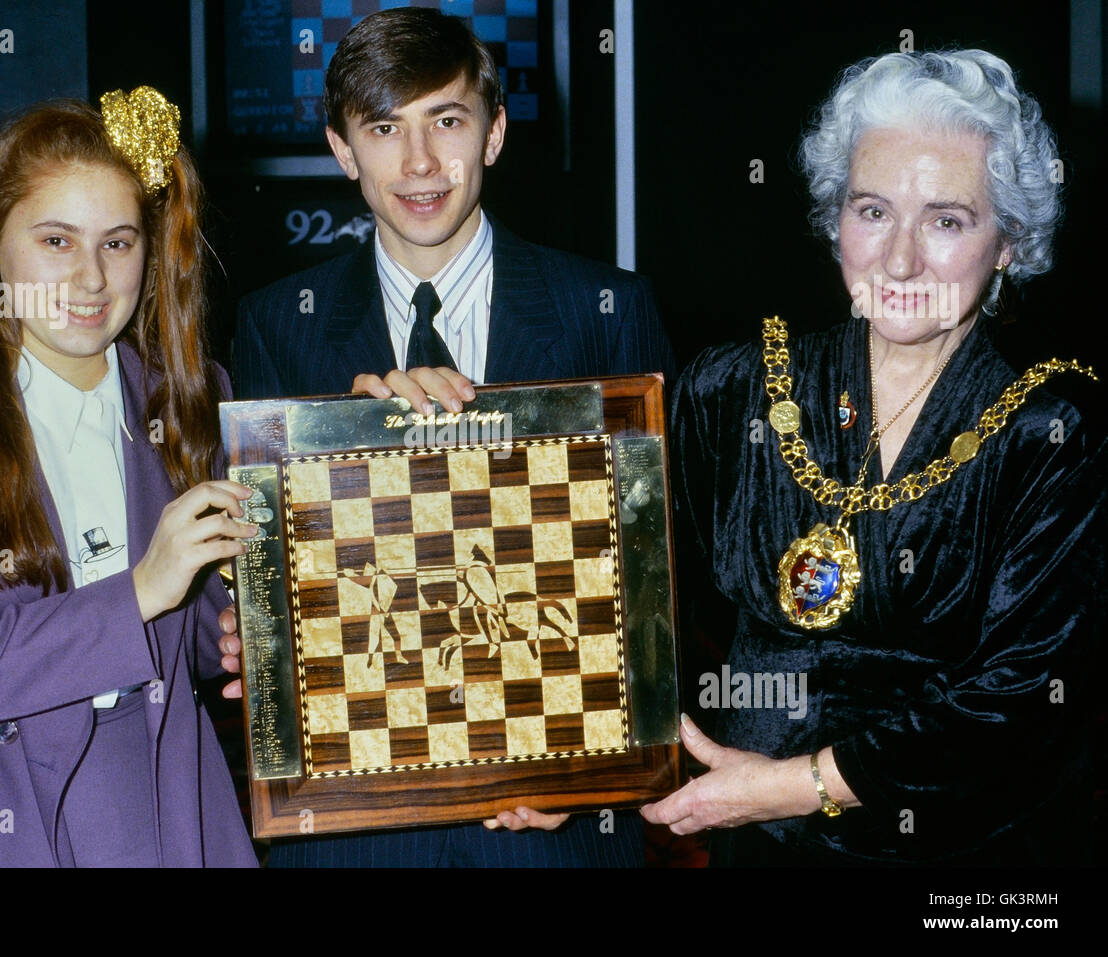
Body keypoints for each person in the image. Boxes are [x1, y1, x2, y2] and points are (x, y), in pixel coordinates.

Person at [222, 6, 675, 867]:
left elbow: (659, 583)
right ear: (343, 149)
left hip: (551, 830)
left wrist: (593, 771)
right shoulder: (278, 327)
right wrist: (253, 610)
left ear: (495, 133)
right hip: (355, 830)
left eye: (448, 120)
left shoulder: (605, 310)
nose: (420, 161)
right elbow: (254, 576)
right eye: (385, 127)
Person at [641, 49, 1105, 865]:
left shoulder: (1053, 428)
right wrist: (566, 771)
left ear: (1009, 243)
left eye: (947, 220)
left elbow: (1024, 699)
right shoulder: (732, 387)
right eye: (873, 210)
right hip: (753, 852)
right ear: (834, 217)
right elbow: (622, 598)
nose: (899, 261)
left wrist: (789, 786)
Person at [0, 88, 259, 867]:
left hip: (169, 799)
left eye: (119, 242)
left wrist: (233, 633)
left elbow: (185, 641)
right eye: (57, 240)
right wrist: (138, 591)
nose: (91, 278)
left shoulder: (194, 397)